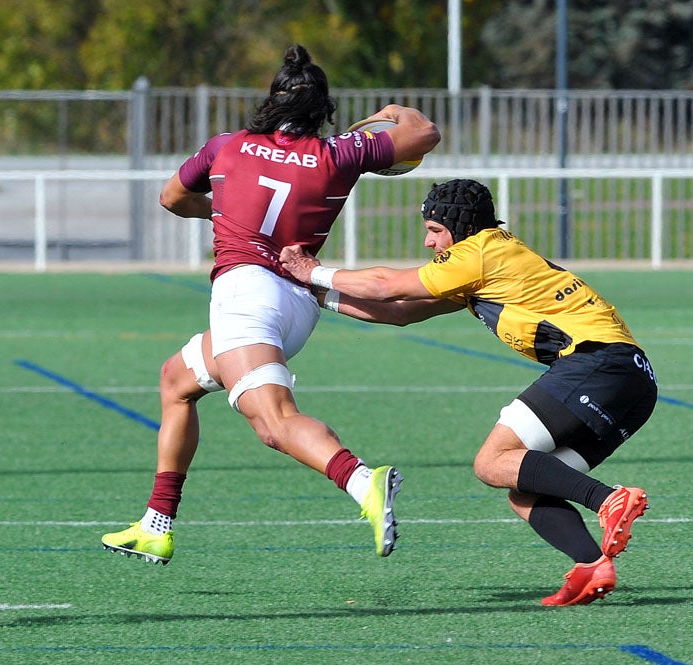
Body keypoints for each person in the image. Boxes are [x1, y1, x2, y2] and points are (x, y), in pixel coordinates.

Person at [100, 45, 441, 564]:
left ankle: (361, 481)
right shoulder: (339, 153)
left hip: (245, 295)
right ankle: (156, 523)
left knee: (277, 421)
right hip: (296, 301)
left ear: (270, 103)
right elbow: (424, 133)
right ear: (321, 110)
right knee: (177, 381)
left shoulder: (227, 146)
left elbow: (171, 197)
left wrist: (228, 210)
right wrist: (392, 114)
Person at [279, 178, 656, 606]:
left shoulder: (478, 252)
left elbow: (386, 284)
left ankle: (609, 499)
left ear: (458, 226)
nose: (427, 241)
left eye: (434, 229)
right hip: (634, 382)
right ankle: (592, 566)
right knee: (526, 488)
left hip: (597, 363)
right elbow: (399, 311)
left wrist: (312, 270)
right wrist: (316, 293)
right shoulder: (488, 260)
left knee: (492, 462)